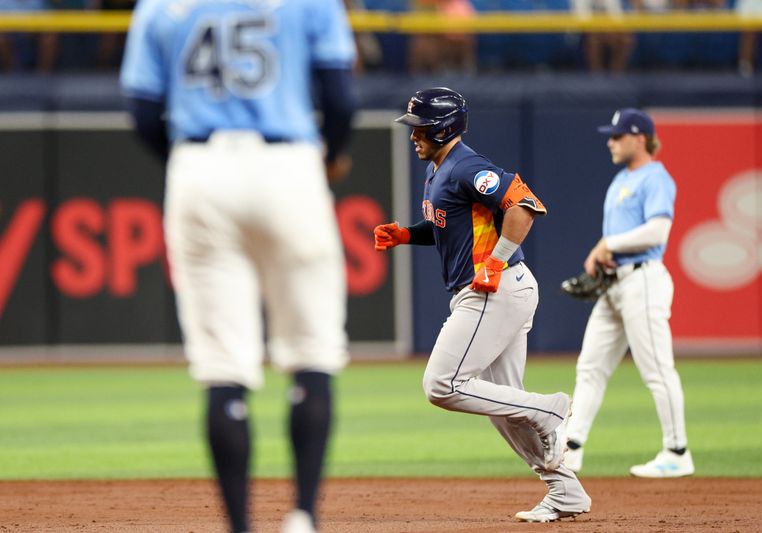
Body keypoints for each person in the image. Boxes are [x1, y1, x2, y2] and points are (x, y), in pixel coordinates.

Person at [120, 1, 356, 532]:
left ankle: (240, 528)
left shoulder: (158, 4)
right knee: (312, 352)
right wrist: (328, 158)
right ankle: (304, 517)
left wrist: (190, 164)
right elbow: (340, 98)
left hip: (199, 165)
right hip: (288, 162)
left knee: (223, 367)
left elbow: (140, 112)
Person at [374, 87, 591, 523]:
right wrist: (406, 234)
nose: (412, 135)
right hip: (496, 292)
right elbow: (448, 224)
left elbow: (525, 206)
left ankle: (549, 408)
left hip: (495, 290)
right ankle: (565, 492)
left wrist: (496, 260)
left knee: (442, 384)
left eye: (419, 128)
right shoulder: (439, 169)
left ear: (443, 128)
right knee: (505, 411)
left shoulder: (466, 165)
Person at [563, 108, 694, 479]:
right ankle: (571, 448)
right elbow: (615, 242)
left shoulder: (655, 177)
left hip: (644, 282)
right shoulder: (622, 179)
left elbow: (658, 232)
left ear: (640, 138)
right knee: (590, 367)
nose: (610, 141)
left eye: (617, 136)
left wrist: (609, 244)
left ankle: (677, 451)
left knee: (656, 369)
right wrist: (603, 256)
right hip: (615, 284)